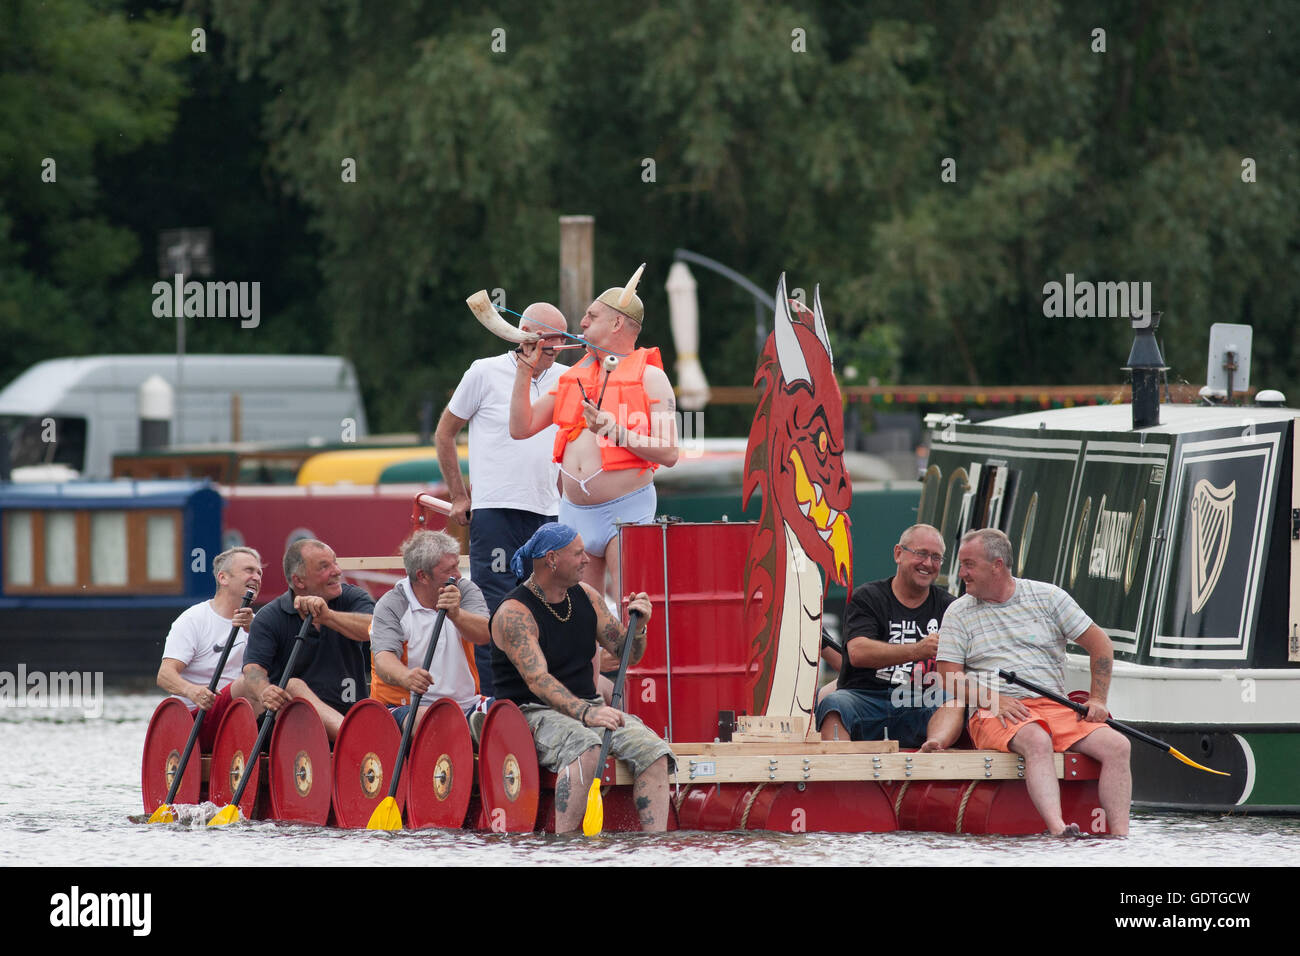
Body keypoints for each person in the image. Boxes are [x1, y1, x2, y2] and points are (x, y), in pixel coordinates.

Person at [920, 528, 1131, 837]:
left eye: (969, 564)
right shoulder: (958, 612)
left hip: (1054, 707)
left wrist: (1098, 699)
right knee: (1036, 739)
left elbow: (1101, 645)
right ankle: (1059, 829)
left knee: (1118, 746)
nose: (961, 573)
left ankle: (1121, 838)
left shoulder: (1049, 597)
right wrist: (995, 700)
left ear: (997, 565)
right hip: (992, 709)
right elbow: (949, 677)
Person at [490, 523, 673, 833]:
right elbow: (538, 681)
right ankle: (568, 847)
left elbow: (626, 654)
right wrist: (589, 713)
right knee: (585, 746)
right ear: (551, 560)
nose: (587, 559)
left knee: (654, 751)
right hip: (529, 713)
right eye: (578, 554)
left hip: (586, 709)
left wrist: (638, 628)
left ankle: (653, 848)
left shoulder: (586, 596)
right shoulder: (514, 613)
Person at [509, 268, 678, 603]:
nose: (582, 323)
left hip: (627, 508)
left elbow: (669, 452)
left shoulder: (651, 376)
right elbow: (520, 427)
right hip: (575, 511)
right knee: (582, 618)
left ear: (617, 323)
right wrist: (524, 371)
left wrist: (613, 430)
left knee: (632, 609)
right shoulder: (574, 376)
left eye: (591, 315)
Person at [435, 302, 568, 697]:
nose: (555, 351)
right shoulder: (484, 371)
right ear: (525, 337)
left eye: (560, 344)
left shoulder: (566, 377)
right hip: (496, 510)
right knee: (497, 608)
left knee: (550, 607)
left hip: (548, 512)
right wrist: (459, 495)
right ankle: (498, 703)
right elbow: (445, 433)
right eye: (548, 343)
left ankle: (543, 700)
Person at [815, 524, 955, 746]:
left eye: (936, 557)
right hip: (866, 697)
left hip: (921, 699)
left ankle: (934, 748)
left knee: (954, 702)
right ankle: (838, 768)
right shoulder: (868, 597)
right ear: (898, 553)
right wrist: (917, 650)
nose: (928, 563)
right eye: (921, 554)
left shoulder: (951, 607)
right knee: (835, 704)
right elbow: (858, 652)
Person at [242, 538, 375, 741]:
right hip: (294, 727)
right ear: (299, 581)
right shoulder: (270, 616)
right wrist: (264, 691)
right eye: (324, 566)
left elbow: (373, 628)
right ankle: (355, 741)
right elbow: (253, 670)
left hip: (353, 713)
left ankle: (353, 738)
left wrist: (327, 616)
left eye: (335, 562)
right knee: (293, 685)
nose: (337, 571)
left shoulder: (352, 597)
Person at [370, 530, 491, 732]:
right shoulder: (392, 604)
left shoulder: (465, 589)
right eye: (450, 570)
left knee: (508, 716)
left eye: (457, 566)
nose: (459, 575)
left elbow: (484, 635)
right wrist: (405, 677)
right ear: (423, 576)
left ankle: (471, 730)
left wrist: (457, 615)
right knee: (432, 722)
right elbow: (383, 659)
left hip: (468, 703)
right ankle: (468, 732)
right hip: (405, 706)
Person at [156, 546, 265, 751]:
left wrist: (256, 631)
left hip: (241, 712)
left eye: (259, 572)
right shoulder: (194, 619)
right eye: (249, 570)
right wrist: (193, 691)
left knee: (289, 684)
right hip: (197, 720)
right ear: (223, 578)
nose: (257, 577)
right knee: (252, 679)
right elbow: (164, 675)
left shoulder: (259, 625)